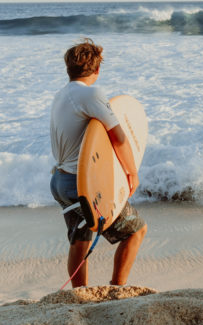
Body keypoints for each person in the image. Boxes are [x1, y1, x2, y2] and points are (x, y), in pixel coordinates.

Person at [49, 39, 147, 287]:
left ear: (68, 68)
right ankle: (117, 289)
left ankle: (79, 296)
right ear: (97, 69)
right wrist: (131, 173)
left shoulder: (60, 95)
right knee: (136, 231)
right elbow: (119, 137)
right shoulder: (91, 94)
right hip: (81, 184)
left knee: (79, 240)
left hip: (60, 181)